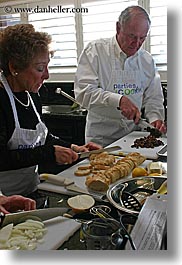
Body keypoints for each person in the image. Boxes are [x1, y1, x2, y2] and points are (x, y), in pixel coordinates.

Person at [0, 24, 101, 208]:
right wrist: (49, 153)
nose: (47, 75)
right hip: (5, 200)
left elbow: (42, 138)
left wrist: (73, 147)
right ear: (14, 67)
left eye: (47, 66)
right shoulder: (1, 100)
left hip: (31, 191)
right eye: (40, 68)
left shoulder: (31, 94)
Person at [74, 5, 167, 147]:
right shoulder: (95, 51)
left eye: (142, 38)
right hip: (100, 140)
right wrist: (118, 100)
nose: (136, 44)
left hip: (134, 138)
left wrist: (155, 118)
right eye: (132, 36)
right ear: (118, 28)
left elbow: (153, 98)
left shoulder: (147, 60)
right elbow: (84, 93)